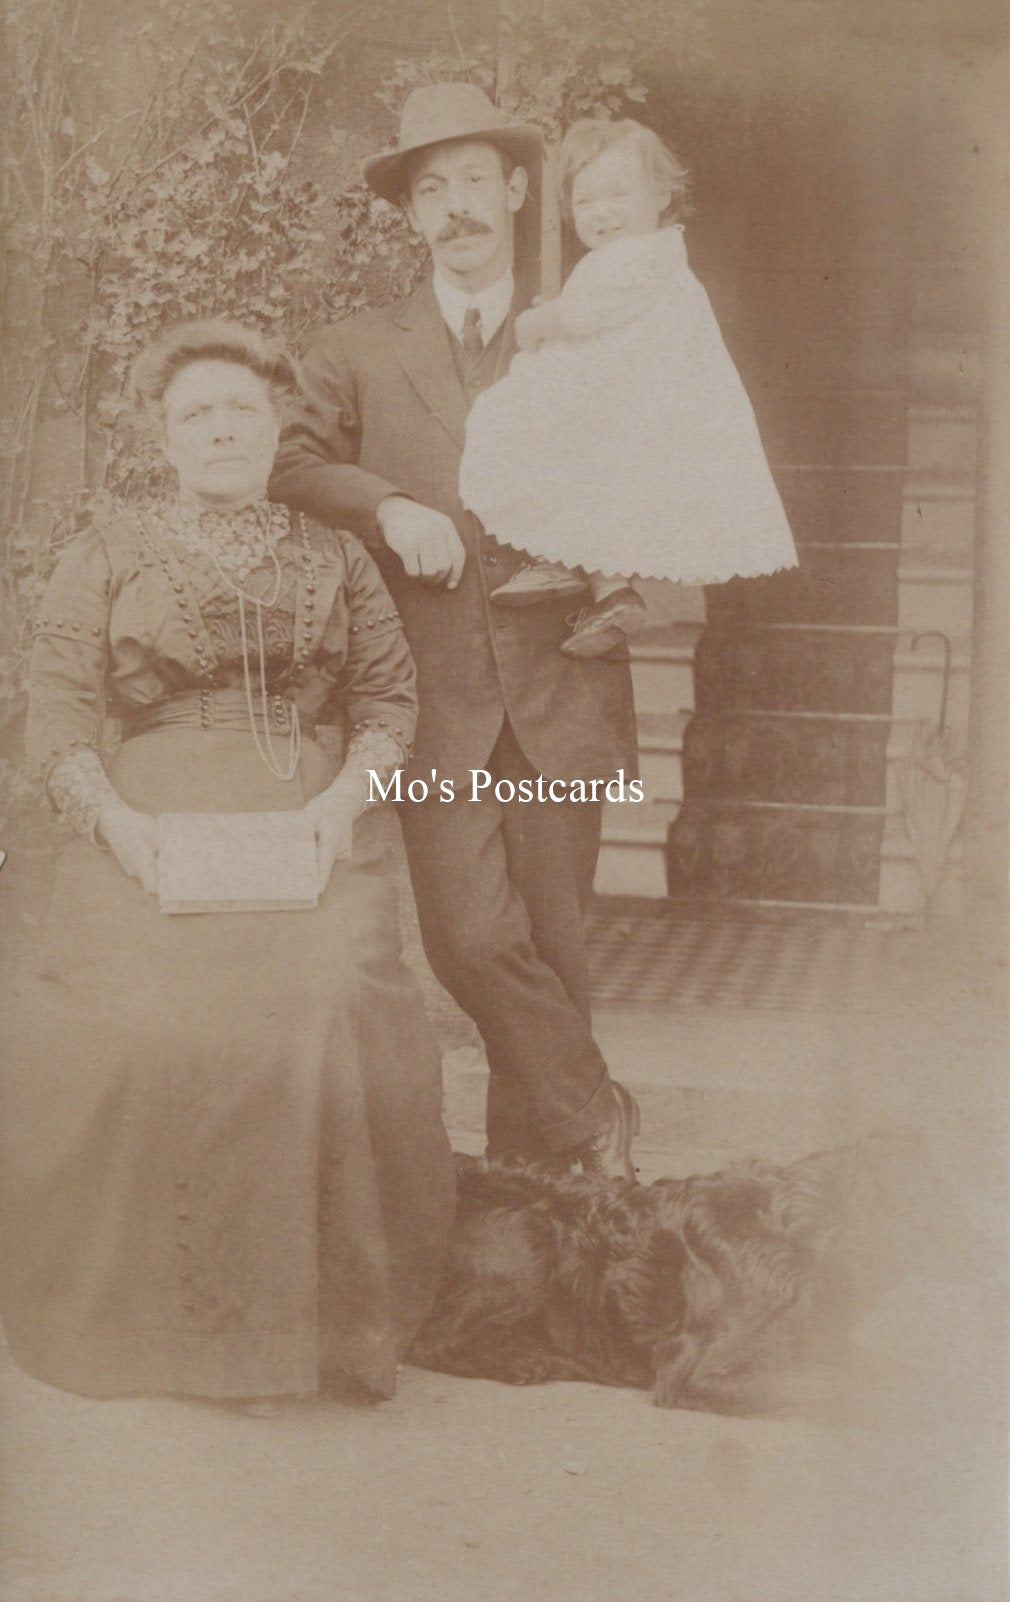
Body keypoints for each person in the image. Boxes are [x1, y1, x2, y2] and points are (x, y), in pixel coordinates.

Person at [0, 319, 455, 1407]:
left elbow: (390, 699)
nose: (219, 431)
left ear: (273, 430)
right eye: (195, 414)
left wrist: (344, 801)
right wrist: (118, 825)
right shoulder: (105, 551)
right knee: (158, 1017)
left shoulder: (336, 557)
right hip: (147, 833)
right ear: (164, 436)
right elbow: (57, 714)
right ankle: (181, 1330)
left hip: (306, 831)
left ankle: (318, 1333)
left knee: (328, 993)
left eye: (241, 412)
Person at [271, 83, 640, 1180]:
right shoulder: (355, 348)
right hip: (433, 707)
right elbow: (288, 462)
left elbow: (663, 462)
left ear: (517, 188)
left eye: (472, 180)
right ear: (411, 215)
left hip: (562, 694)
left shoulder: (586, 328)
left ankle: (546, 1197)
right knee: (470, 939)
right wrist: (386, 505)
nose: (454, 208)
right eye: (429, 190)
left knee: (557, 953)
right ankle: (595, 1111)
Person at [459, 117, 798, 656]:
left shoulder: (638, 255)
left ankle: (563, 562)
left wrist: (538, 325)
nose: (602, 212)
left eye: (618, 194)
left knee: (516, 424)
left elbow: (588, 313)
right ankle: (602, 585)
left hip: (629, 395)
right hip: (624, 389)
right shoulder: (644, 255)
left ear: (661, 194)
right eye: (586, 200)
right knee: (576, 474)